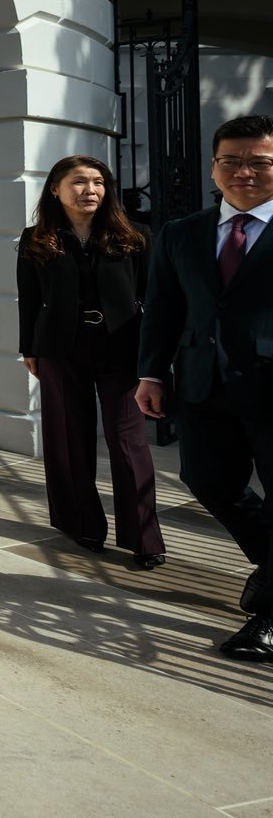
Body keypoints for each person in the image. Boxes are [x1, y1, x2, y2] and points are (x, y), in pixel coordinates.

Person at [137, 113, 273, 663]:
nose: (244, 172)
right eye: (231, 161)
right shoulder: (180, 233)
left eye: (260, 162)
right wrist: (151, 373)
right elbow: (163, 309)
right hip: (203, 383)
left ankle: (269, 617)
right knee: (207, 480)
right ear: (214, 168)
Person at [15, 155, 164, 568]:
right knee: (68, 438)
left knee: (128, 440)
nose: (91, 190)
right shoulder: (36, 239)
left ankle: (144, 539)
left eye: (98, 182)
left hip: (122, 348)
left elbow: (154, 299)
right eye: (79, 181)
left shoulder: (135, 235)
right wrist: (29, 348)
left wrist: (153, 358)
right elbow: (29, 298)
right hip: (59, 350)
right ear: (55, 189)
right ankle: (81, 524)